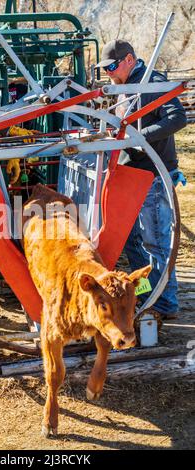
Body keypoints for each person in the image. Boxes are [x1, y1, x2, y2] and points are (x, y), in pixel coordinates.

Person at [96, 39, 187, 320]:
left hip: (153, 177)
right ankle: (146, 293)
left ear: (129, 60)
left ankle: (164, 305)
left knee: (155, 243)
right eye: (105, 69)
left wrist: (139, 139)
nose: (109, 73)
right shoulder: (126, 88)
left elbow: (178, 117)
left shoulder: (152, 83)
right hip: (133, 176)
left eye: (112, 67)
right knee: (133, 241)